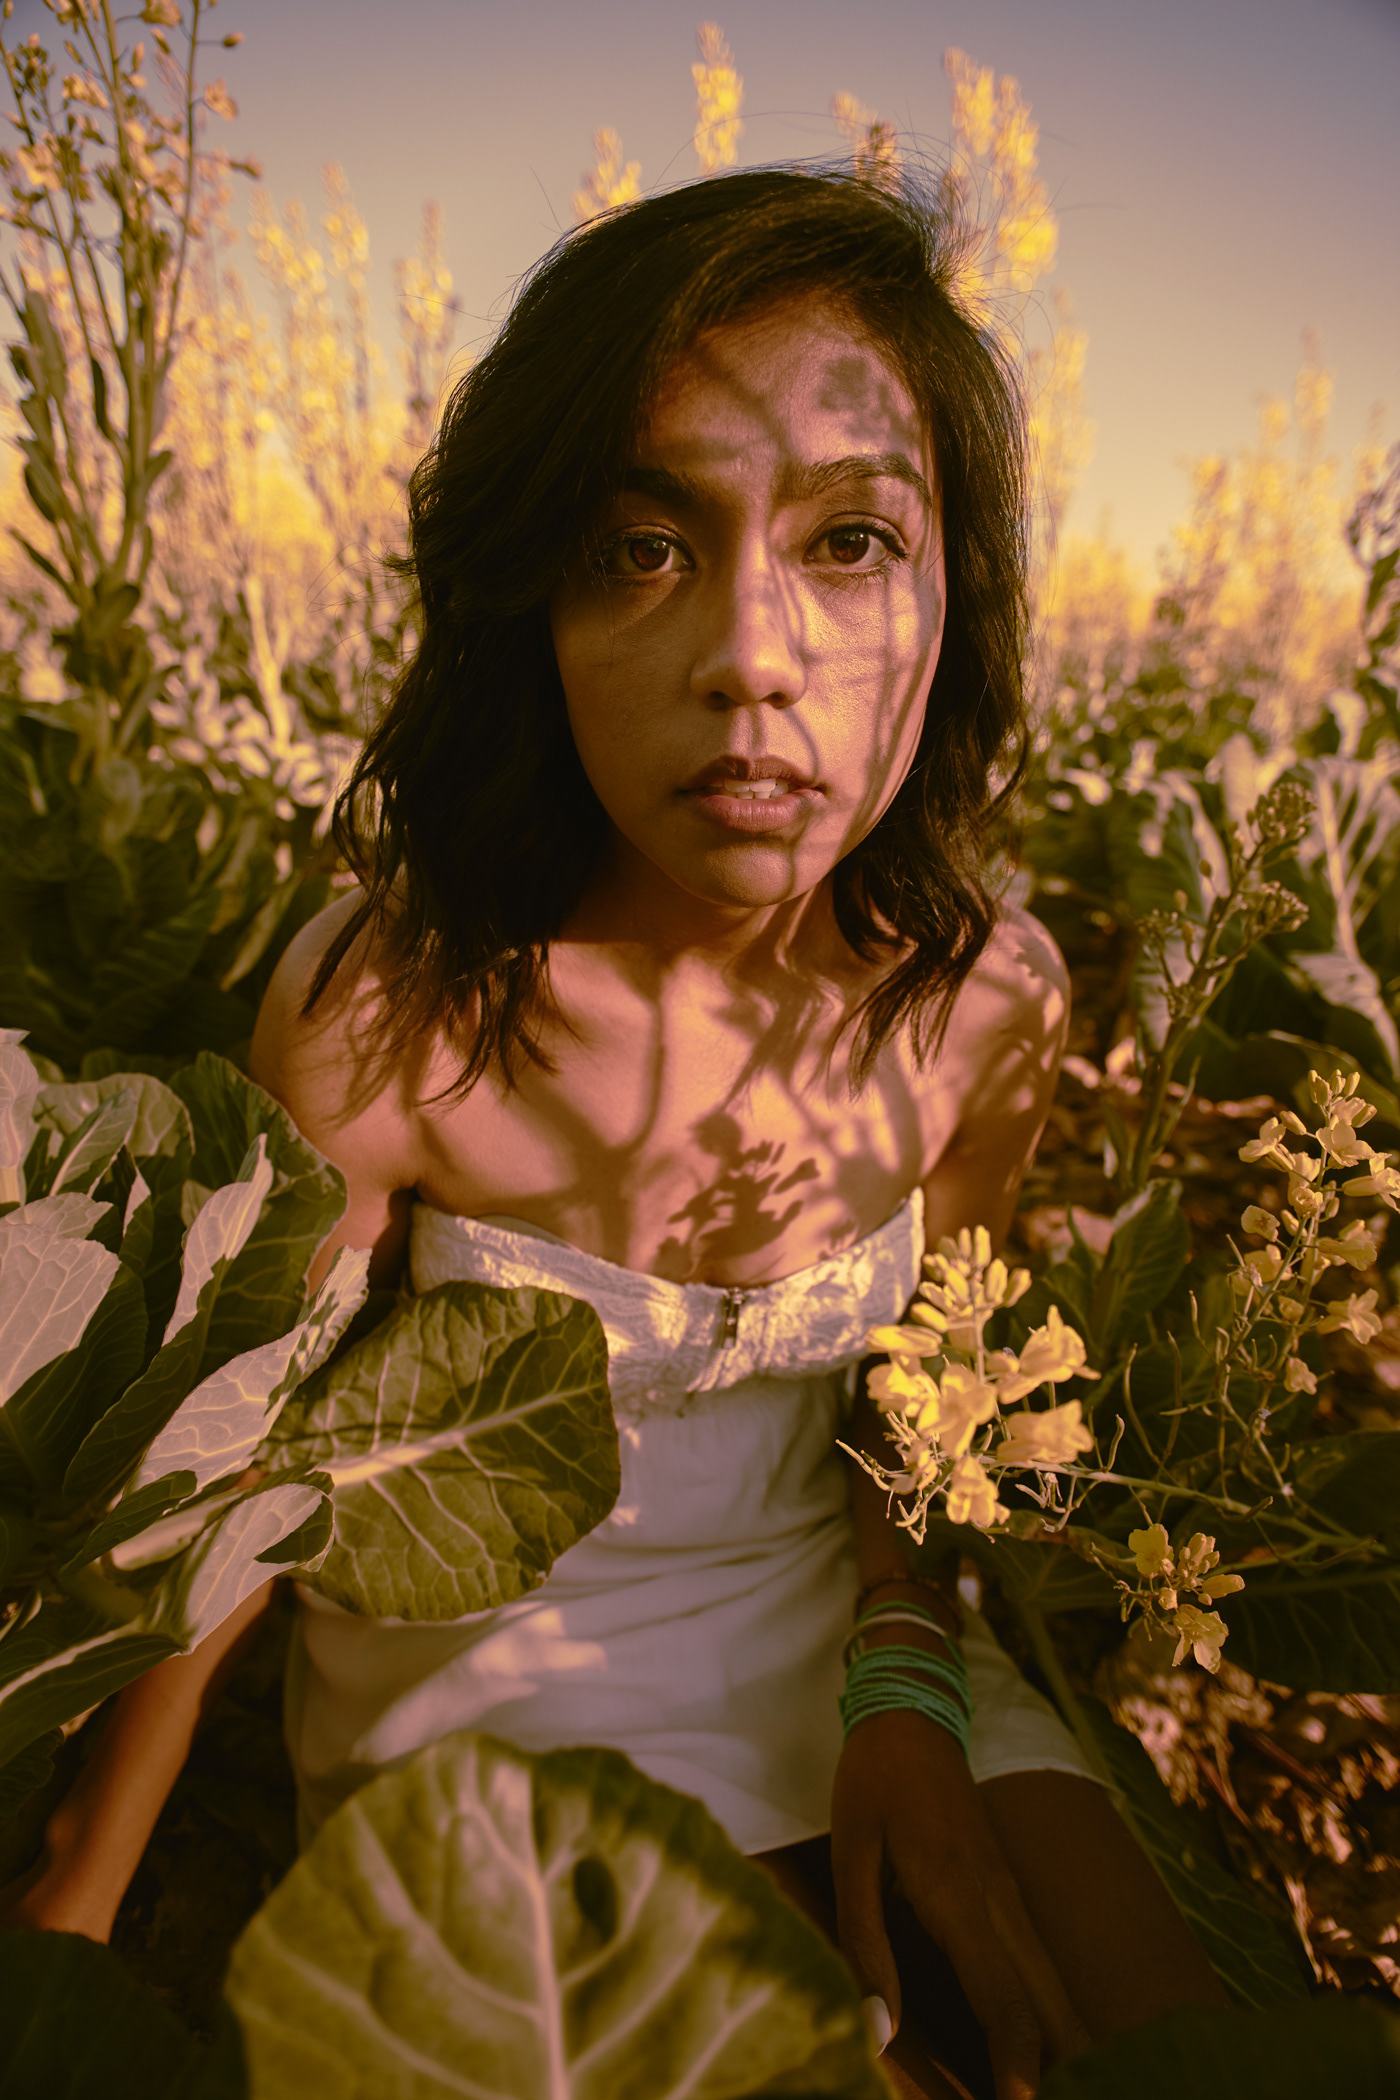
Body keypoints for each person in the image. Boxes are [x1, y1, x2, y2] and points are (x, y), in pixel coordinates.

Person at [2, 166, 1225, 2099]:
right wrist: (71, 1907)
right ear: (537, 607)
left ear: (954, 599)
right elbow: (229, 1496)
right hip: (490, 1688)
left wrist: (911, 1692)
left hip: (866, 1642)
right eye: (645, 547)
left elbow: (932, 1402)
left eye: (850, 542)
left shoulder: (987, 997)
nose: (754, 654)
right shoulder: (397, 1011)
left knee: (1169, 2041)